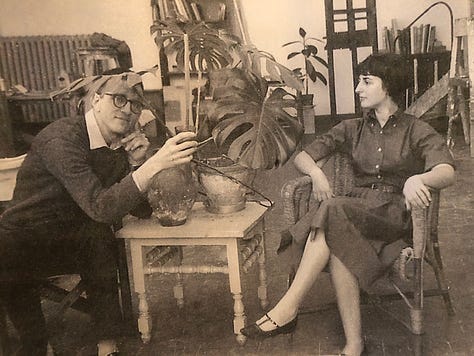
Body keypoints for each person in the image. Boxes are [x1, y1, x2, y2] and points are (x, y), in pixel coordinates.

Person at [240, 53, 455, 356]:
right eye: (359, 81)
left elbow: (447, 171)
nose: (357, 88)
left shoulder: (414, 129)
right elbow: (302, 155)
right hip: (356, 212)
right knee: (338, 237)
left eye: (366, 81)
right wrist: (316, 174)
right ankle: (354, 344)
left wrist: (417, 180)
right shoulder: (351, 128)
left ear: (389, 85)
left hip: (394, 212)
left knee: (332, 211)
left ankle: (288, 307)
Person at [0, 72, 198, 355]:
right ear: (96, 100)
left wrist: (135, 163)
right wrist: (152, 166)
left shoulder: (115, 148)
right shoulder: (62, 138)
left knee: (98, 235)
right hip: (22, 240)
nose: (128, 110)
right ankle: (36, 344)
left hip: (69, 236)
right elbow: (102, 206)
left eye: (135, 105)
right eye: (119, 99)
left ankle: (107, 346)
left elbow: (140, 210)